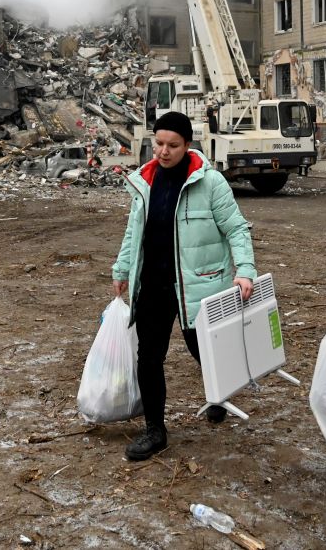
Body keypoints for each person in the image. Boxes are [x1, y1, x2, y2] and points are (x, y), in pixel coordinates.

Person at [111, 111, 257, 461]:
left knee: (202, 350)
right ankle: (155, 430)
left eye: (172, 145)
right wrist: (122, 268)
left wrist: (245, 269)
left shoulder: (209, 183)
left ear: (187, 145)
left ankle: (218, 394)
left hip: (197, 286)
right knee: (148, 357)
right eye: (158, 143)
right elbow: (135, 232)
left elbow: (236, 229)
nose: (163, 151)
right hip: (153, 285)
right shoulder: (145, 181)